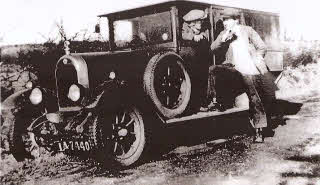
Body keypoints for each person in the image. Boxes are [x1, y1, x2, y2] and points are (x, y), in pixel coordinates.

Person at [210, 8, 279, 142]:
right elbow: (213, 48)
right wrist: (223, 40)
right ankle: (216, 101)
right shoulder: (224, 34)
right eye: (224, 20)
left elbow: (262, 47)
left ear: (236, 20)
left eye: (228, 19)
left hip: (249, 68)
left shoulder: (247, 30)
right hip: (234, 68)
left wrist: (257, 58)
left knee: (254, 98)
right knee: (213, 69)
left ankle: (259, 131)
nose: (225, 22)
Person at [182, 9, 211, 112]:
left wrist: (201, 36)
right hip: (190, 63)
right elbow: (183, 36)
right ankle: (192, 106)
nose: (201, 23)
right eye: (199, 21)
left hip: (201, 63)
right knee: (192, 83)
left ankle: (201, 104)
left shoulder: (203, 32)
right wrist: (193, 37)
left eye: (201, 21)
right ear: (193, 23)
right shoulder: (186, 28)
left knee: (202, 83)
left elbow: (206, 43)